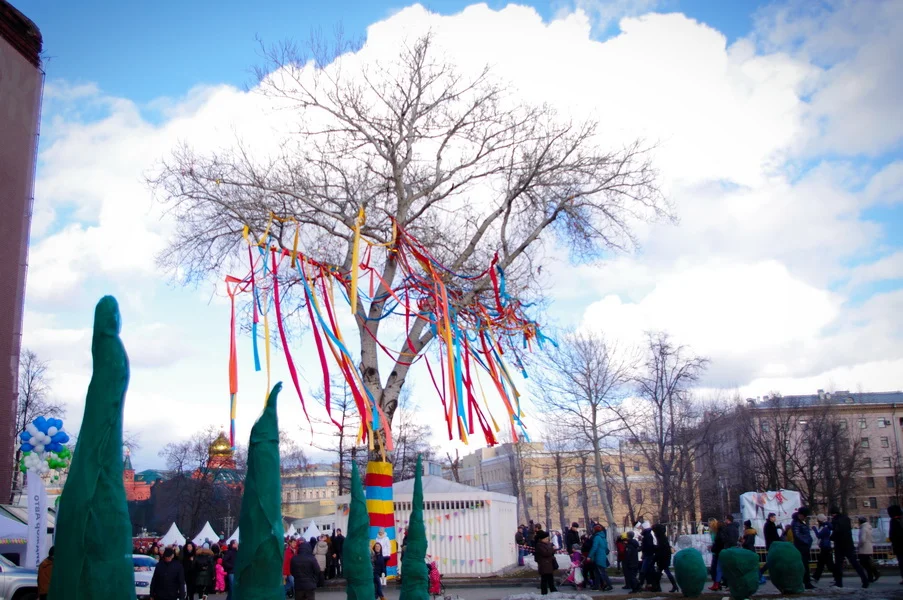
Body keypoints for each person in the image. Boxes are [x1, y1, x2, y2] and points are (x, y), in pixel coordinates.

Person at [830, 506, 869, 588]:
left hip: (839, 545)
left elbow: (836, 531)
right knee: (855, 563)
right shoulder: (846, 518)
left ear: (833, 514)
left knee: (839, 565)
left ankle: (839, 582)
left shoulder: (835, 520)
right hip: (848, 543)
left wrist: (831, 537)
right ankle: (864, 580)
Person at [791, 507, 815, 589]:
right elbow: (798, 535)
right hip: (801, 547)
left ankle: (806, 582)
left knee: (805, 565)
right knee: (803, 565)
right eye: (804, 516)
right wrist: (807, 541)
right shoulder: (796, 523)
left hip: (804, 546)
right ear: (801, 515)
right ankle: (805, 582)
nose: (805, 517)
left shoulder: (801, 522)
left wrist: (809, 540)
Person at [587, 523, 613, 591]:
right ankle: (596, 586)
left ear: (595, 530)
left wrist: (589, 556)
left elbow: (594, 547)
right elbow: (605, 547)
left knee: (602, 572)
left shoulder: (597, 537)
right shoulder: (603, 537)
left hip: (598, 557)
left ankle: (609, 585)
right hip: (602, 556)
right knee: (597, 572)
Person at [653, 523, 678, 593]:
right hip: (664, 558)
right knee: (665, 572)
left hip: (662, 559)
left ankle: (658, 587)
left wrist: (655, 549)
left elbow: (661, 549)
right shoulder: (662, 537)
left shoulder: (661, 538)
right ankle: (674, 586)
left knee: (661, 573)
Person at [534, 530, 558, 595]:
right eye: (546, 538)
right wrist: (552, 549)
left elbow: (550, 552)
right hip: (544, 565)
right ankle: (544, 594)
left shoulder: (547, 544)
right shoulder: (539, 545)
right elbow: (546, 553)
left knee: (550, 579)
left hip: (549, 565)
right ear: (542, 539)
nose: (547, 539)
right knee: (544, 580)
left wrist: (553, 549)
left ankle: (554, 592)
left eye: (547, 538)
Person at [812, 514, 834, 583]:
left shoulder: (825, 527)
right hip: (826, 547)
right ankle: (816, 577)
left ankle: (837, 575)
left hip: (825, 547)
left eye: (818, 520)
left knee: (828, 564)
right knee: (821, 563)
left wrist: (815, 529)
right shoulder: (826, 526)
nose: (818, 522)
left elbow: (819, 535)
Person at [857, 517, 879, 582]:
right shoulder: (869, 528)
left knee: (864, 564)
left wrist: (859, 545)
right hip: (869, 547)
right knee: (868, 563)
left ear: (860, 522)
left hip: (864, 549)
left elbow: (862, 539)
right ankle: (873, 575)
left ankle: (873, 574)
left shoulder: (863, 529)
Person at [889, 504, 903, 584]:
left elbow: (892, 534)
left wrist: (893, 541)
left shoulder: (894, 521)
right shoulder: (899, 519)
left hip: (899, 546)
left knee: (901, 562)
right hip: (899, 545)